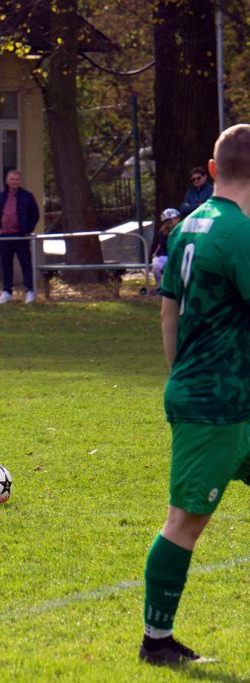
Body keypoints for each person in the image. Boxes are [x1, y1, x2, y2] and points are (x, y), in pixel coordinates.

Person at [139, 124, 250, 666]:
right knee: (185, 522)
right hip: (217, 404)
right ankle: (156, 642)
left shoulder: (187, 227)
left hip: (219, 394)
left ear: (211, 171)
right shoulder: (239, 234)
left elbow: (169, 312)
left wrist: (179, 374)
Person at [0, 169, 40, 304]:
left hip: (21, 236)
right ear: (7, 181)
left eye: (17, 179)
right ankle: (7, 291)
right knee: (6, 264)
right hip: (5, 237)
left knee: (25, 263)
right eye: (12, 179)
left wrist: (28, 229)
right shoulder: (1, 197)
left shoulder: (27, 196)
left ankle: (30, 291)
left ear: (20, 181)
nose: (14, 181)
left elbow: (35, 214)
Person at [151, 208, 180, 293]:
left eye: (177, 218)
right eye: (175, 218)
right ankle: (159, 286)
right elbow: (164, 245)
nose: (177, 220)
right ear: (168, 221)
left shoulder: (181, 229)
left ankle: (176, 287)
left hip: (176, 254)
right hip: (164, 254)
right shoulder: (163, 232)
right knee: (156, 266)